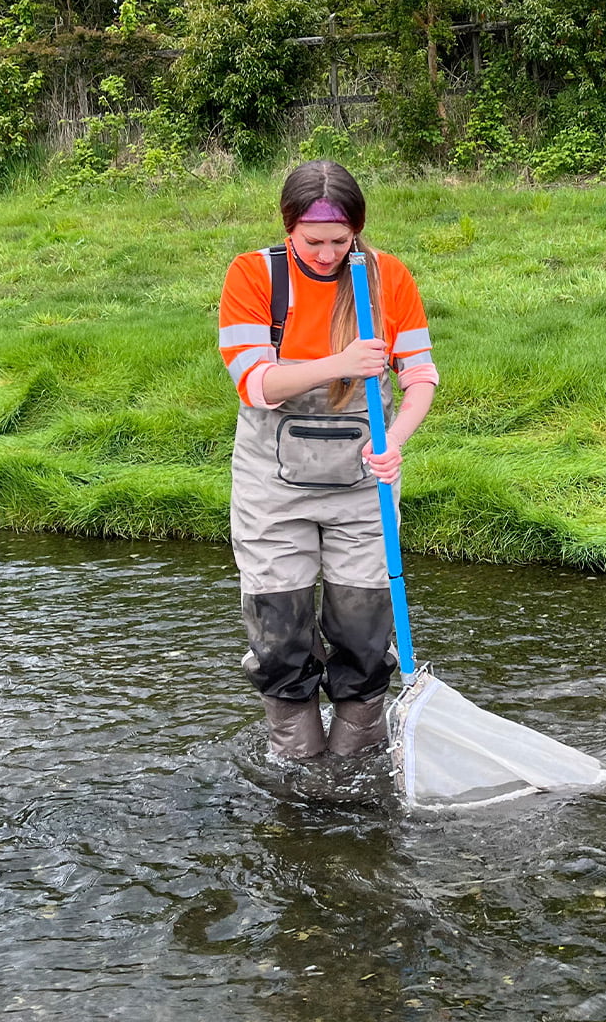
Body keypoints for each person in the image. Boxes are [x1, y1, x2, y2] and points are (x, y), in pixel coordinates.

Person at [216, 160, 439, 761]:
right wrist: (340, 363)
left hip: (364, 485)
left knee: (364, 633)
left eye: (340, 242)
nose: (325, 253)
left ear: (357, 231)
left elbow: (419, 375)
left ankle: (354, 766)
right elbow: (256, 384)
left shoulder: (386, 276)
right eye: (312, 242)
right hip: (273, 491)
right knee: (280, 633)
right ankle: (297, 766)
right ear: (288, 228)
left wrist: (396, 440)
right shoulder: (254, 275)